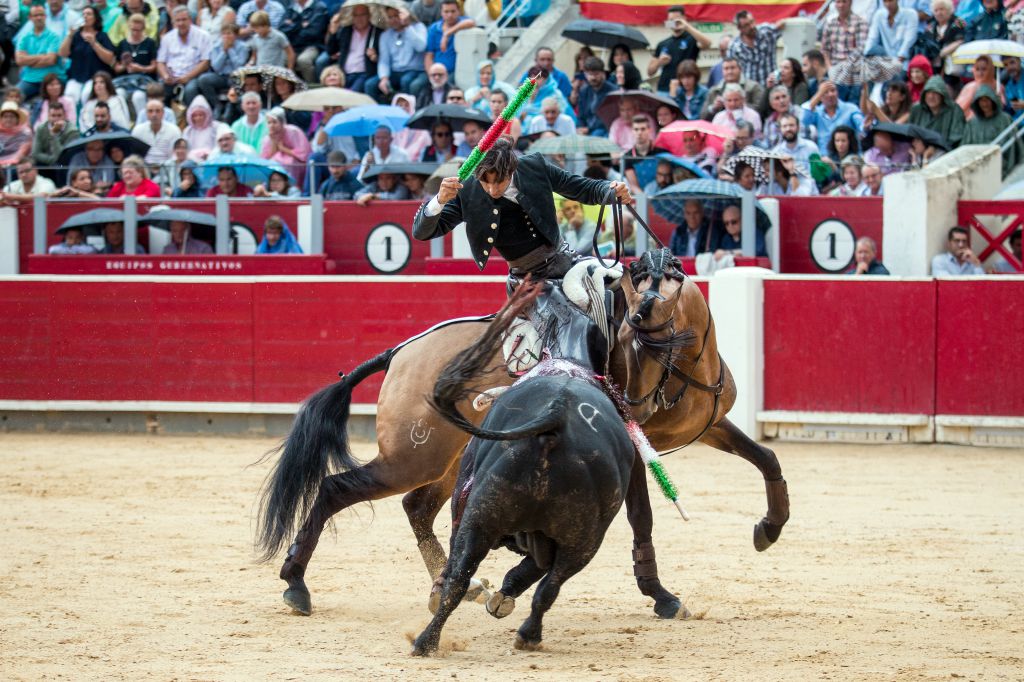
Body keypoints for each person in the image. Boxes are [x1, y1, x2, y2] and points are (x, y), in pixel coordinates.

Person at [414, 135, 633, 282]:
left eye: (498, 181)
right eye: (485, 182)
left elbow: (580, 187)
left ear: (511, 170)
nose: (491, 189)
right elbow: (423, 232)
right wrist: (439, 201)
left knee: (616, 287)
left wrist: (610, 190)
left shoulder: (534, 167)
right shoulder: (467, 189)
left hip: (563, 260)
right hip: (524, 279)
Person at [368, 7, 427, 103]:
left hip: (414, 70)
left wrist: (407, 26)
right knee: (370, 84)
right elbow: (384, 60)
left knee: (406, 81)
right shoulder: (385, 35)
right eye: (390, 17)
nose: (393, 20)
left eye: (396, 16)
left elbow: (421, 47)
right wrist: (384, 78)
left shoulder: (418, 27)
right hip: (395, 71)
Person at [58, 5, 115, 104]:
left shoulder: (102, 36)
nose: (85, 16)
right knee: (70, 95)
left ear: (95, 18)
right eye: (83, 14)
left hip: (95, 77)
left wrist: (94, 43)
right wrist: (69, 35)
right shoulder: (75, 36)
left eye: (89, 14)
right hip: (76, 76)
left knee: (87, 95)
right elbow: (62, 53)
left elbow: (110, 58)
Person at [648, 5, 711, 94]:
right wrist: (659, 62)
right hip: (664, 89)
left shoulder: (691, 39)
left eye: (677, 19)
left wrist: (686, 27)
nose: (674, 22)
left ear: (684, 19)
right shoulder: (662, 44)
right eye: (671, 20)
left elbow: (708, 43)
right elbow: (650, 72)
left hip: (686, 89)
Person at [962, 85, 1023, 176]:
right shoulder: (972, 123)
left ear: (992, 100)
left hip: (1000, 165)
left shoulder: (1004, 119)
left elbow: (1013, 146)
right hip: (978, 166)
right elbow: (965, 147)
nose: (984, 103)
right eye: (981, 100)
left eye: (987, 99)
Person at [156, 7, 212, 105]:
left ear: (190, 20)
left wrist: (187, 77)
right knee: (157, 90)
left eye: (184, 19)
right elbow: (160, 62)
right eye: (178, 20)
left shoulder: (203, 36)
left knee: (190, 90)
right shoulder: (167, 38)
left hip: (193, 77)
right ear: (173, 22)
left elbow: (205, 62)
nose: (181, 23)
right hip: (171, 77)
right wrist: (165, 76)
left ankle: (189, 119)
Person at [194, 22, 250, 119]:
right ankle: (216, 105)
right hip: (220, 76)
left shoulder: (243, 47)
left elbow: (239, 65)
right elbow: (216, 66)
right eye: (224, 34)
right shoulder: (216, 47)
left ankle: (229, 107)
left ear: (235, 35)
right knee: (203, 79)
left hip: (235, 76)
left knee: (236, 80)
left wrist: (230, 50)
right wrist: (224, 52)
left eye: (229, 33)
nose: (226, 36)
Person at [820, 0, 870, 102]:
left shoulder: (861, 22)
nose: (841, 5)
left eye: (844, 2)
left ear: (850, 3)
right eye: (838, 2)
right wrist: (830, 68)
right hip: (834, 69)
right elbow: (825, 50)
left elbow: (860, 49)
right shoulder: (830, 23)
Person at [112, 12, 160, 118]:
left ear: (143, 28)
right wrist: (124, 66)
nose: (135, 33)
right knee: (119, 94)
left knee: (138, 97)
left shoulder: (150, 43)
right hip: (124, 80)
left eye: (138, 30)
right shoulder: (122, 44)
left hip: (143, 80)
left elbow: (154, 67)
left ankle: (143, 121)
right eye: (133, 30)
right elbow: (116, 68)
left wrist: (140, 68)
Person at [14, 5, 63, 101]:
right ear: (30, 18)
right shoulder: (24, 38)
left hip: (50, 80)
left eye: (41, 15)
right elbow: (19, 60)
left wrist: (29, 61)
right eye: (35, 15)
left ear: (46, 16)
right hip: (29, 79)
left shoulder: (54, 37)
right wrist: (43, 56)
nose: (39, 18)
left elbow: (51, 60)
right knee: (13, 97)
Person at [802, 80, 865, 152]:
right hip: (825, 158)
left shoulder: (851, 108)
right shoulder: (817, 112)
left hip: (849, 158)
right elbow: (804, 121)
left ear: (837, 92)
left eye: (833, 90)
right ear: (820, 96)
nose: (830, 94)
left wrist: (865, 126)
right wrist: (818, 95)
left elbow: (862, 128)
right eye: (825, 92)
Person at [727, 10, 787, 85]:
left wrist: (780, 24)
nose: (752, 26)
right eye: (746, 25)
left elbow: (783, 25)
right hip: (750, 90)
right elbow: (731, 69)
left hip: (773, 85)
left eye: (752, 22)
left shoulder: (767, 32)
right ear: (740, 28)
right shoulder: (734, 46)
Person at [260, 107, 311, 188]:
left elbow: (303, 154)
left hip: (295, 162)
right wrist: (273, 141)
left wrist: (283, 149)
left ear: (282, 122)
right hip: (277, 162)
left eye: (274, 122)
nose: (271, 125)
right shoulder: (267, 138)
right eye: (269, 122)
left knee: (288, 162)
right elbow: (265, 159)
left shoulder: (293, 132)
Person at [909, 75, 965, 147]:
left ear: (942, 95)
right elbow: (910, 133)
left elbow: (956, 137)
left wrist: (936, 147)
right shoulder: (916, 109)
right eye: (928, 92)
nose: (931, 96)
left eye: (935, 93)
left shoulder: (955, 110)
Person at [701, 57, 765, 120]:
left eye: (732, 68)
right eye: (726, 69)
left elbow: (762, 111)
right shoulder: (714, 90)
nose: (729, 72)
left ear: (740, 69)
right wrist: (714, 108)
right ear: (722, 71)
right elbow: (703, 116)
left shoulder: (753, 87)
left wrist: (742, 104)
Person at [280, 0, 328, 83]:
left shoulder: (319, 7)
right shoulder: (291, 7)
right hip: (293, 46)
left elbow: (314, 32)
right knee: (281, 59)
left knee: (303, 61)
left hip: (312, 45)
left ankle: (312, 86)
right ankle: (293, 86)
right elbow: (282, 29)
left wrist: (292, 26)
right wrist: (300, 25)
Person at [424, 0, 474, 76]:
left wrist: (447, 34)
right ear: (441, 13)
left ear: (459, 12)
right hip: (437, 72)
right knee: (416, 85)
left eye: (453, 11)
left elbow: (471, 22)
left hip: (455, 72)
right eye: (446, 12)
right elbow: (429, 55)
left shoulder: (462, 22)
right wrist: (431, 74)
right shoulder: (434, 28)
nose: (450, 15)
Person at [622, 116, 668, 191]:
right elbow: (634, 186)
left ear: (649, 130)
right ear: (632, 131)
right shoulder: (627, 157)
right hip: (641, 198)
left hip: (662, 194)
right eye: (636, 129)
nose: (639, 132)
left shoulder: (662, 153)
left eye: (643, 129)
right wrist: (644, 201)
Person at [133, 98, 182, 167]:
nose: (154, 114)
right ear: (146, 113)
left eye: (157, 111)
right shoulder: (138, 130)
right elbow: (135, 155)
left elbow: (175, 156)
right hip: (144, 169)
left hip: (167, 168)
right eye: (150, 111)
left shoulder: (174, 130)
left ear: (163, 113)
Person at [575, 57, 616, 136]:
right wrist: (580, 127)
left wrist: (589, 129)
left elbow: (608, 118)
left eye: (596, 74)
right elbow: (581, 115)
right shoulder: (584, 91)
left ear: (603, 73)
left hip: (604, 129)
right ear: (585, 74)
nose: (593, 77)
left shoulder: (612, 91)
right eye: (590, 74)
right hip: (586, 129)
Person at [32, 104, 79, 172]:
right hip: (45, 163)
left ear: (65, 116)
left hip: (63, 165)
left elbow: (62, 157)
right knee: (35, 165)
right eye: (53, 116)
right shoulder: (41, 129)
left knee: (60, 167)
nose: (56, 119)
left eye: (59, 115)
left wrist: (54, 135)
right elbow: (35, 153)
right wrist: (52, 160)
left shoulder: (72, 132)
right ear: (48, 116)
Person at [956, 55, 1005, 120]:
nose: (980, 73)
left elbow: (1003, 106)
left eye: (984, 69)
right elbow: (959, 109)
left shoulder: (998, 86)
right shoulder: (970, 87)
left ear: (990, 69)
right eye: (977, 69)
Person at [181, 95, 218, 161]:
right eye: (195, 115)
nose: (198, 118)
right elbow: (184, 149)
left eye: (201, 115)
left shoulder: (215, 127)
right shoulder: (188, 131)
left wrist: (209, 154)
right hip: (192, 163)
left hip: (212, 161)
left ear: (207, 114)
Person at [0, 100, 33, 174]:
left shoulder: (25, 133)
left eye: (11, 117)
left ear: (17, 119)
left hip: (16, 165)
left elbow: (21, 154)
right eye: (5, 117)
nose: (8, 119)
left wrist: (7, 164)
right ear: (1, 119)